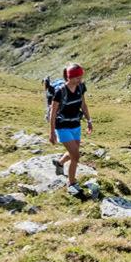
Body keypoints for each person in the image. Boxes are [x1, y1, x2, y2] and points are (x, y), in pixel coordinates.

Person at [46, 62, 93, 196]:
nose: (80, 80)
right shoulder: (60, 92)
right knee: (76, 156)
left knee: (74, 152)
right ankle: (71, 183)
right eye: (77, 77)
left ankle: (60, 163)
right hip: (63, 127)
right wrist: (52, 132)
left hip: (76, 125)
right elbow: (53, 113)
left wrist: (89, 121)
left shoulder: (80, 87)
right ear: (69, 78)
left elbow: (83, 105)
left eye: (81, 77)